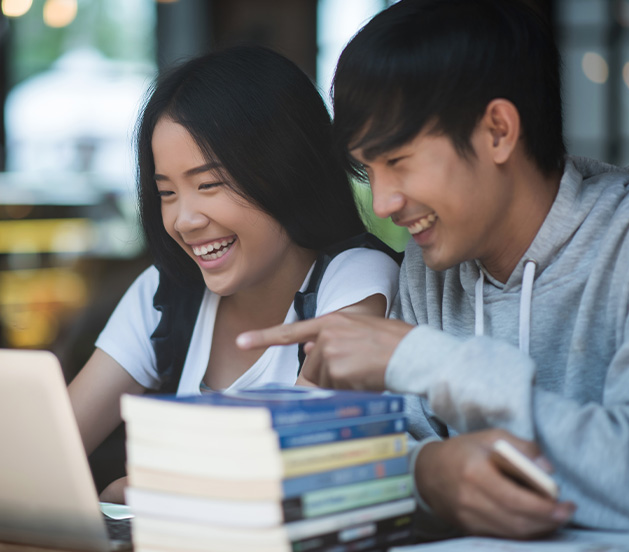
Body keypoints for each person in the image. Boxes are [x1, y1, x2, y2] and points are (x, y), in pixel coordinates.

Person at [237, 0, 629, 539]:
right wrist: (431, 475)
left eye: (398, 161)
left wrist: (421, 358)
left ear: (498, 130)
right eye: (368, 170)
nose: (382, 203)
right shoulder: (430, 266)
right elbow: (383, 459)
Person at [67, 45, 400, 504]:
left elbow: (301, 461)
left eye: (208, 184)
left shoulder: (355, 278)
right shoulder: (164, 292)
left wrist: (158, 487)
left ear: (286, 171)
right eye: (166, 192)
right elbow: (54, 448)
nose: (184, 220)